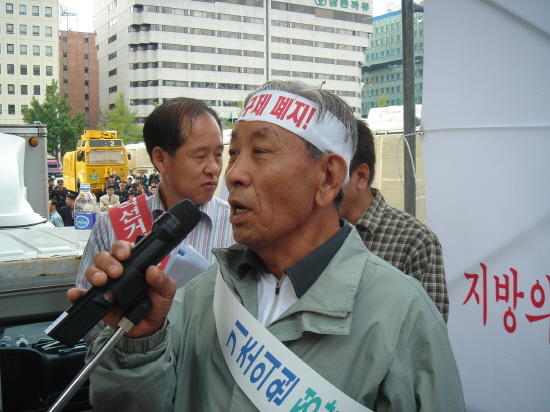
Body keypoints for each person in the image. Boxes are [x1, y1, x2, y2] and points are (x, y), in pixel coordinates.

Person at [74, 81, 464, 410]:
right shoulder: (196, 296)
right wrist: (141, 344)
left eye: (259, 152)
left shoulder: (404, 318)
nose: (233, 174)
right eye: (235, 153)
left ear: (328, 178)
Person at [74, 96, 235, 340]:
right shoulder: (113, 224)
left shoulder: (237, 226)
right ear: (160, 158)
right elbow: (86, 328)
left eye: (218, 155)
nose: (213, 167)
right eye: (200, 156)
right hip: (138, 369)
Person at [339, 120, 449, 322]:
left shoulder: (415, 240)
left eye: (330, 174)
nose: (318, 187)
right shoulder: (308, 231)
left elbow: (427, 335)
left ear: (361, 175)